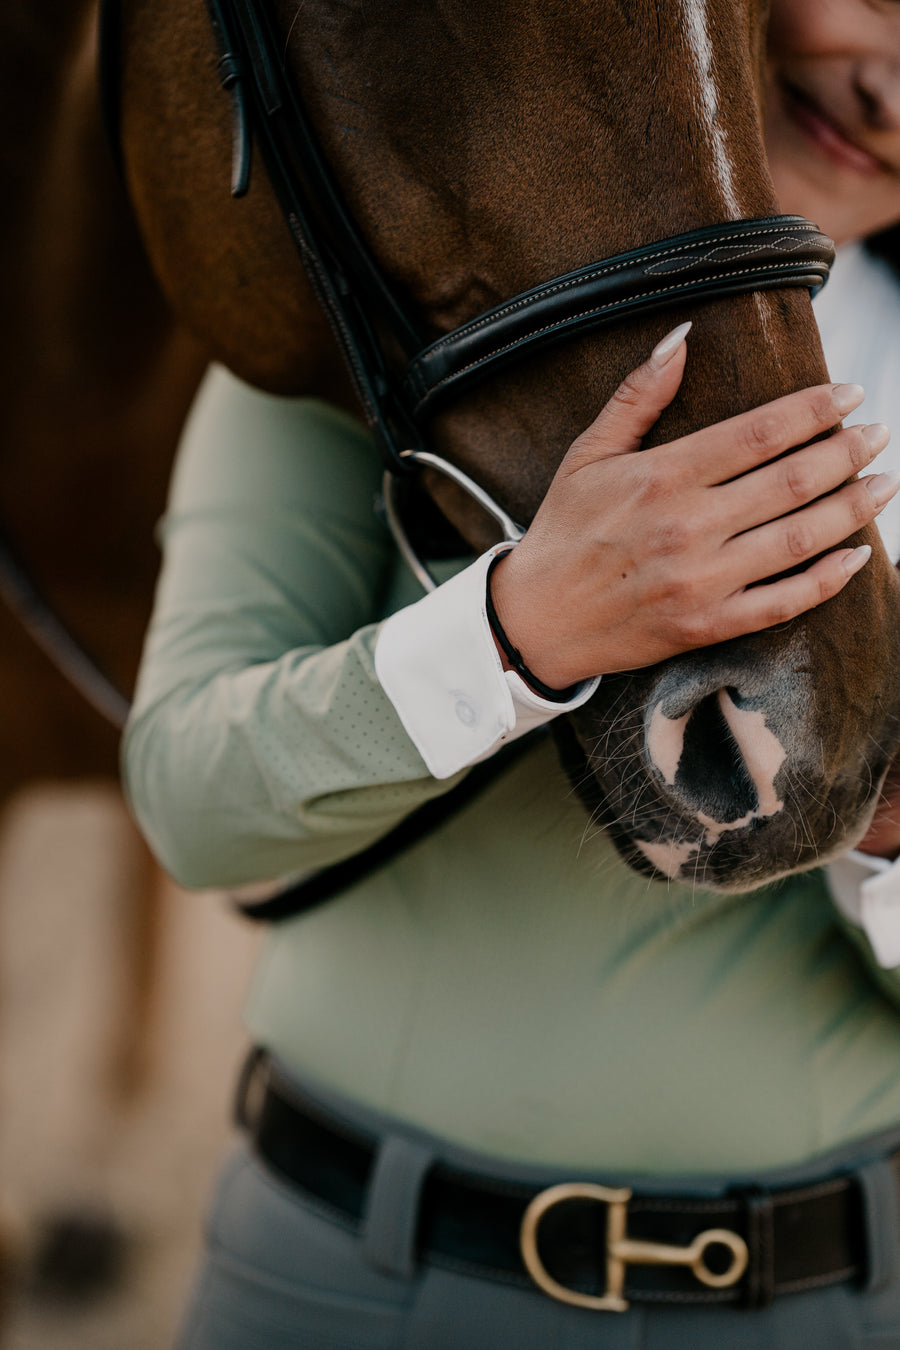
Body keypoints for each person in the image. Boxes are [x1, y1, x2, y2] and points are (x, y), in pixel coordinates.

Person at [122, 1, 900, 1345]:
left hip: (823, 1301)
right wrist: (511, 635)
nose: (891, 87)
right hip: (356, 1282)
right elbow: (189, 795)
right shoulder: (372, 299)